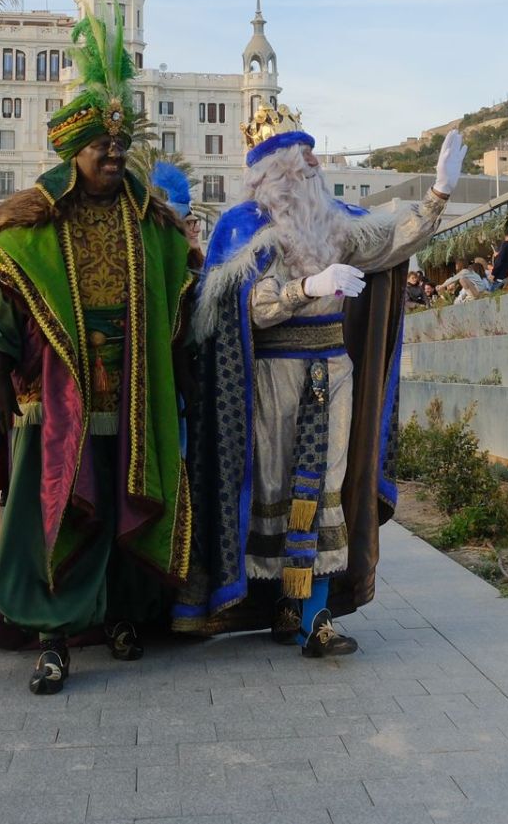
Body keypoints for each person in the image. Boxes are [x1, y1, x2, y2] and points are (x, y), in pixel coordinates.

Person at [0, 18, 195, 695]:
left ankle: (117, 613)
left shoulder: (148, 220)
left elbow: (179, 287)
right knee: (58, 509)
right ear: (73, 152)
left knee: (126, 498)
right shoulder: (36, 222)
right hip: (55, 395)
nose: (114, 155)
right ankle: (54, 633)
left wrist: (179, 373)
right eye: (101, 145)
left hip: (132, 389)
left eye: (120, 145)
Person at [178, 107, 462, 659]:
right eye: (297, 158)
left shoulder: (334, 224)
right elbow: (249, 309)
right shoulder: (245, 227)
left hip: (333, 371)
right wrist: (308, 284)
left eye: (312, 158)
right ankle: (278, 605)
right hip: (271, 378)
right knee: (275, 490)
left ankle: (316, 617)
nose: (311, 164)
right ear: (271, 172)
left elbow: (389, 241)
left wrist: (438, 194)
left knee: (324, 487)